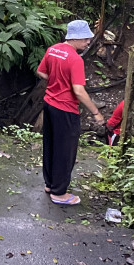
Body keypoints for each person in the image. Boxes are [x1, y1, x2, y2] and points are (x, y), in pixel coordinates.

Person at [35, 20, 105, 205]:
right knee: (65, 152)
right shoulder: (75, 59)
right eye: (86, 39)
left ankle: (50, 184)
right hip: (66, 109)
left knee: (50, 145)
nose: (88, 43)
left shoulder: (53, 50)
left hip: (49, 105)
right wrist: (96, 113)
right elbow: (79, 91)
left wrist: (57, 81)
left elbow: (41, 72)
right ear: (75, 38)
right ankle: (59, 193)